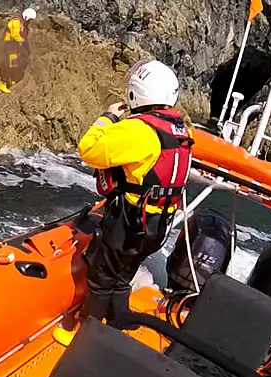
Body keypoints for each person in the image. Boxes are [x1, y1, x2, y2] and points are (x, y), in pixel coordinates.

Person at [75, 60, 194, 324]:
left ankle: (87, 330)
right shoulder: (181, 131)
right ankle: (118, 320)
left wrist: (107, 118)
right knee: (124, 273)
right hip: (158, 224)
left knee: (102, 275)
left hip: (129, 220)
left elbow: (89, 149)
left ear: (135, 93)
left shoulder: (138, 129)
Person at [0, 8, 37, 94]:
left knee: (15, 63)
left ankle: (9, 79)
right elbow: (15, 34)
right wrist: (22, 40)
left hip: (15, 45)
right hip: (9, 43)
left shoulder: (24, 24)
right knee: (9, 62)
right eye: (30, 19)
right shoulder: (16, 21)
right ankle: (2, 83)